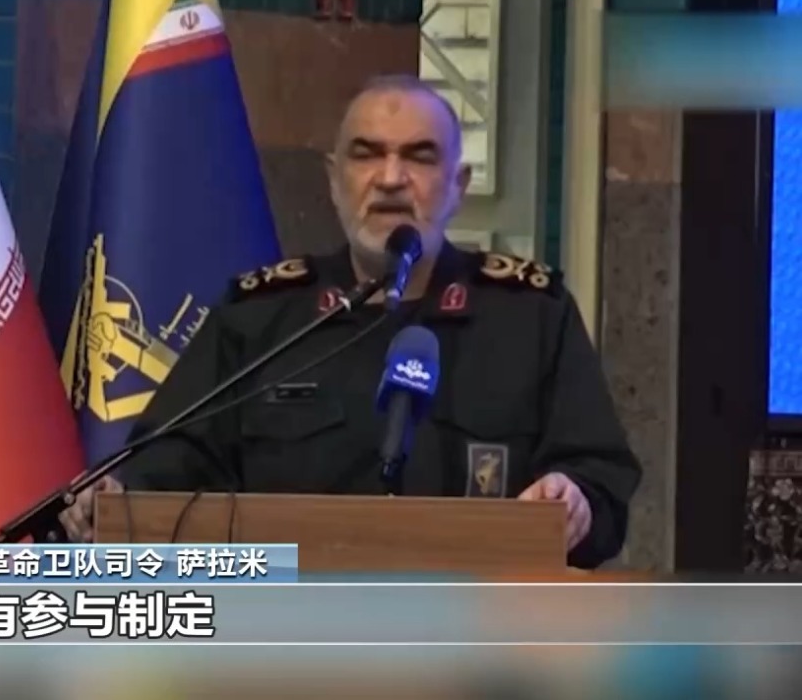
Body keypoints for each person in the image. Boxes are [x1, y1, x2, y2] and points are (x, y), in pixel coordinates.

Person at [59, 74, 641, 569]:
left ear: (458, 186)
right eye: (367, 155)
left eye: (419, 157)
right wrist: (116, 498)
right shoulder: (261, 318)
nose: (390, 178)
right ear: (334, 180)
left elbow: (601, 486)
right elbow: (165, 474)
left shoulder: (530, 317)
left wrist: (576, 500)